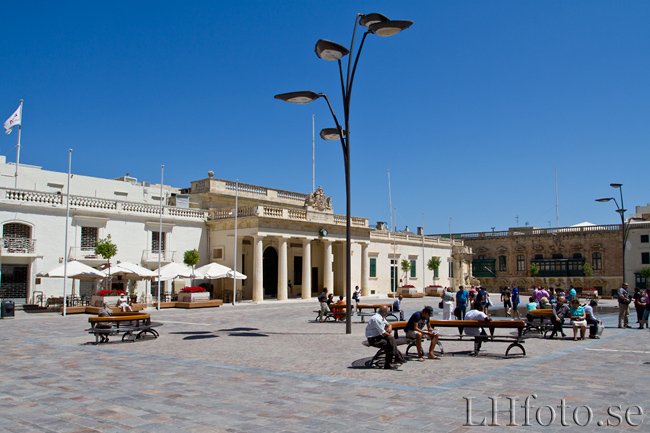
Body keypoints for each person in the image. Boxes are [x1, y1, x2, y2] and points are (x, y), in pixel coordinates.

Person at [365, 305, 405, 370]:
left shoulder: (381, 317)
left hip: (379, 337)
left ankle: (397, 357)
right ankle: (391, 362)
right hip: (373, 339)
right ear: (384, 312)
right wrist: (390, 335)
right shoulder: (377, 319)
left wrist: (390, 326)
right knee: (389, 344)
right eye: (387, 312)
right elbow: (382, 332)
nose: (387, 313)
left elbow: (387, 323)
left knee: (391, 340)